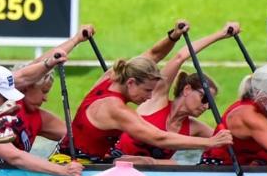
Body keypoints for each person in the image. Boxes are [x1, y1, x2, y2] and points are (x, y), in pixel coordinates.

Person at [60, 20, 233, 163]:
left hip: (80, 161)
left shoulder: (111, 76)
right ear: (131, 82)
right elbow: (159, 138)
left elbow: (154, 54)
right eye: (147, 90)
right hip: (77, 168)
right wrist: (209, 143)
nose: (150, 96)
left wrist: (172, 36)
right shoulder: (116, 108)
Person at [111, 22, 240, 164]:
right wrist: (221, 34)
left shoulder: (196, 127)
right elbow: (180, 56)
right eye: (205, 99)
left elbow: (230, 143)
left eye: (210, 105)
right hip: (116, 165)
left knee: (173, 163)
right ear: (187, 89)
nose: (206, 107)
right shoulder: (156, 98)